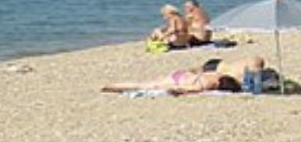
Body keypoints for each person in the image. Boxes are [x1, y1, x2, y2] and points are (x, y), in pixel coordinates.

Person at [101, 56, 266, 95]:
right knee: (143, 85)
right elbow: (185, 88)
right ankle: (111, 86)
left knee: (146, 83)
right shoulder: (209, 84)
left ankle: (112, 85)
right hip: (180, 79)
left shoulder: (217, 73)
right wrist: (175, 90)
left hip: (185, 73)